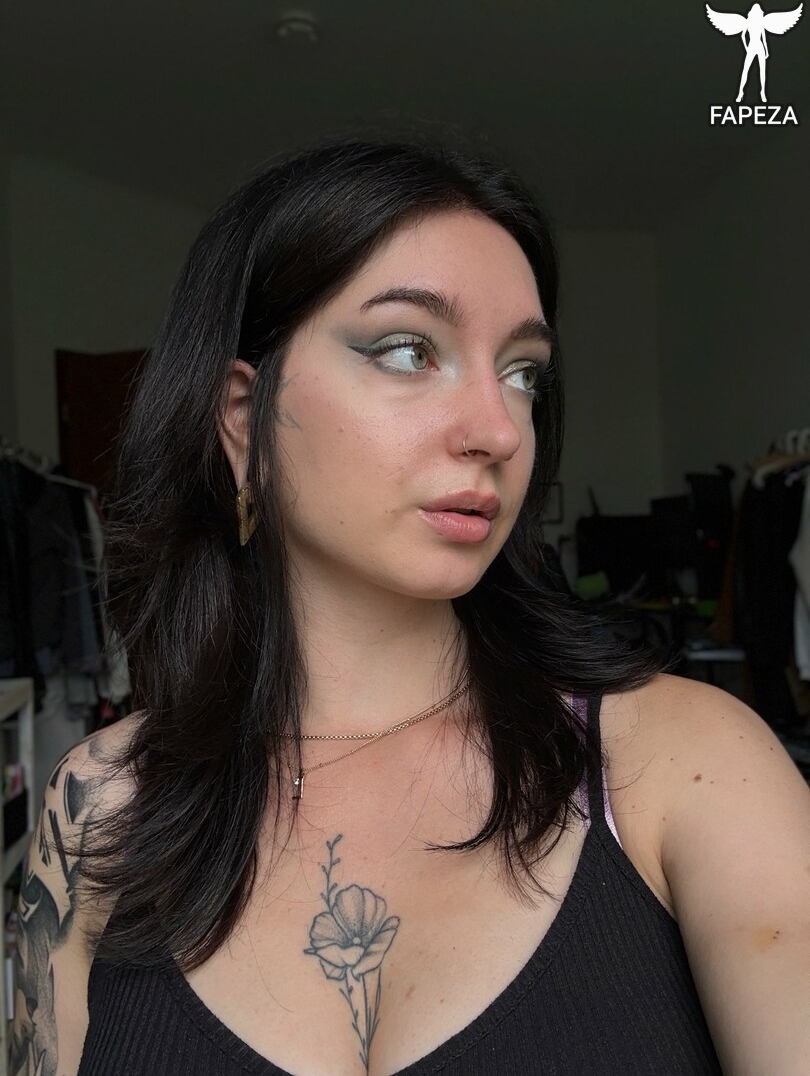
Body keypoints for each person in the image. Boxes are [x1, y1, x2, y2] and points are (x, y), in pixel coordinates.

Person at [11, 131, 810, 1076]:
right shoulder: (98, 805)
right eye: (406, 350)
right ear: (243, 420)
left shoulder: (688, 764)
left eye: (523, 372)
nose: (497, 429)